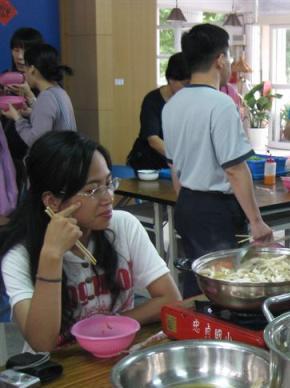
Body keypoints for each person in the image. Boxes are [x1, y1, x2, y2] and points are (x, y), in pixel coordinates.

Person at [0, 131, 181, 352]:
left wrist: (109, 327)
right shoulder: (20, 255)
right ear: (52, 201)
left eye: (108, 182)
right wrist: (52, 256)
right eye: (92, 190)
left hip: (114, 356)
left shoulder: (123, 226)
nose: (108, 198)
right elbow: (42, 343)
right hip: (57, 373)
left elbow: (170, 299)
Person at [162, 24, 272, 297]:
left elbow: (173, 166)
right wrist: (256, 221)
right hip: (216, 209)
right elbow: (235, 168)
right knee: (226, 283)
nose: (231, 64)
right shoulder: (220, 104)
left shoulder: (172, 104)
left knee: (196, 277)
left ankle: (192, 333)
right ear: (220, 59)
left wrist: (188, 200)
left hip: (187, 203)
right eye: (230, 58)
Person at [0, 44, 76, 147]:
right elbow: (51, 118)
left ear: (32, 69)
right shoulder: (59, 91)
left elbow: (35, 141)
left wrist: (17, 118)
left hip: (55, 160)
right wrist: (31, 112)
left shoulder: (46, 97)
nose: (24, 74)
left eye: (25, 68)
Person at [127, 52, 189, 171]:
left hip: (175, 163)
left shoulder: (188, 100)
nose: (188, 88)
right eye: (185, 84)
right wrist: (179, 158)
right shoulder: (152, 100)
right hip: (149, 162)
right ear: (171, 79)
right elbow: (153, 140)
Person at [2, 27, 44, 184]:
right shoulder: (4, 78)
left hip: (34, 155)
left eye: (25, 51)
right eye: (16, 50)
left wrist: (29, 94)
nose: (20, 57)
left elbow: (48, 118)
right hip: (7, 153)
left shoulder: (45, 84)